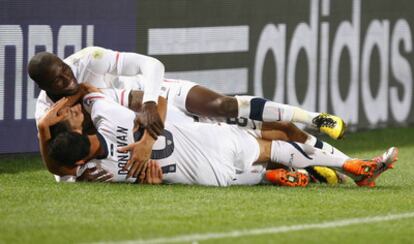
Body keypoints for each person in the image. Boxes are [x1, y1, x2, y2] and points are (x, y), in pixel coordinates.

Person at [29, 47, 347, 180]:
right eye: (57, 80)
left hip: (150, 95)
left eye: (65, 69)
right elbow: (60, 163)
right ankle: (305, 168)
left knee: (224, 106)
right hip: (142, 127)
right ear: (44, 87)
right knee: (238, 147)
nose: (66, 78)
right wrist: (78, 178)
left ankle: (315, 121)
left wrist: (152, 101)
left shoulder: (89, 60)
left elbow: (152, 66)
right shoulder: (47, 112)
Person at [41, 90, 398, 187]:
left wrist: (44, 132)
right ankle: (352, 166)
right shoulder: (112, 116)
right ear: (77, 132)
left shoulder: (101, 175)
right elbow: (158, 98)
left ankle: (274, 177)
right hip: (210, 141)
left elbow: (60, 169)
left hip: (207, 178)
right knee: (282, 143)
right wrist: (149, 132)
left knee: (265, 161)